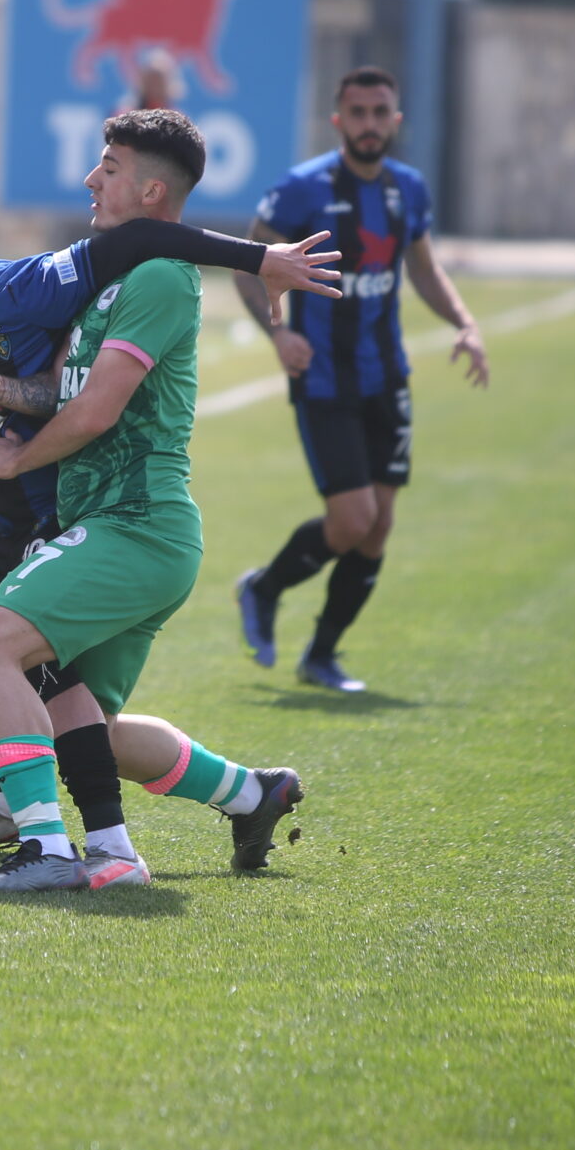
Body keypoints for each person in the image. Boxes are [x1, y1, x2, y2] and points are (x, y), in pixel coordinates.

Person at [0, 177, 340, 876]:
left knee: (39, 681)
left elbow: (135, 249)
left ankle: (85, 844)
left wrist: (258, 260)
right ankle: (22, 803)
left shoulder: (22, 290)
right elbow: (39, 387)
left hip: (69, 518)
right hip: (2, 516)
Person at [234, 67, 488, 693]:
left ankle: (321, 655)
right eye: (359, 113)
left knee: (378, 526)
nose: (371, 124)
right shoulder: (302, 190)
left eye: (382, 112)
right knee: (351, 520)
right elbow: (247, 266)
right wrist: (280, 332)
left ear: (395, 121)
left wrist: (464, 322)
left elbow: (423, 270)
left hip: (386, 376)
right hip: (322, 376)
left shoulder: (408, 190)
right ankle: (263, 588)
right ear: (338, 120)